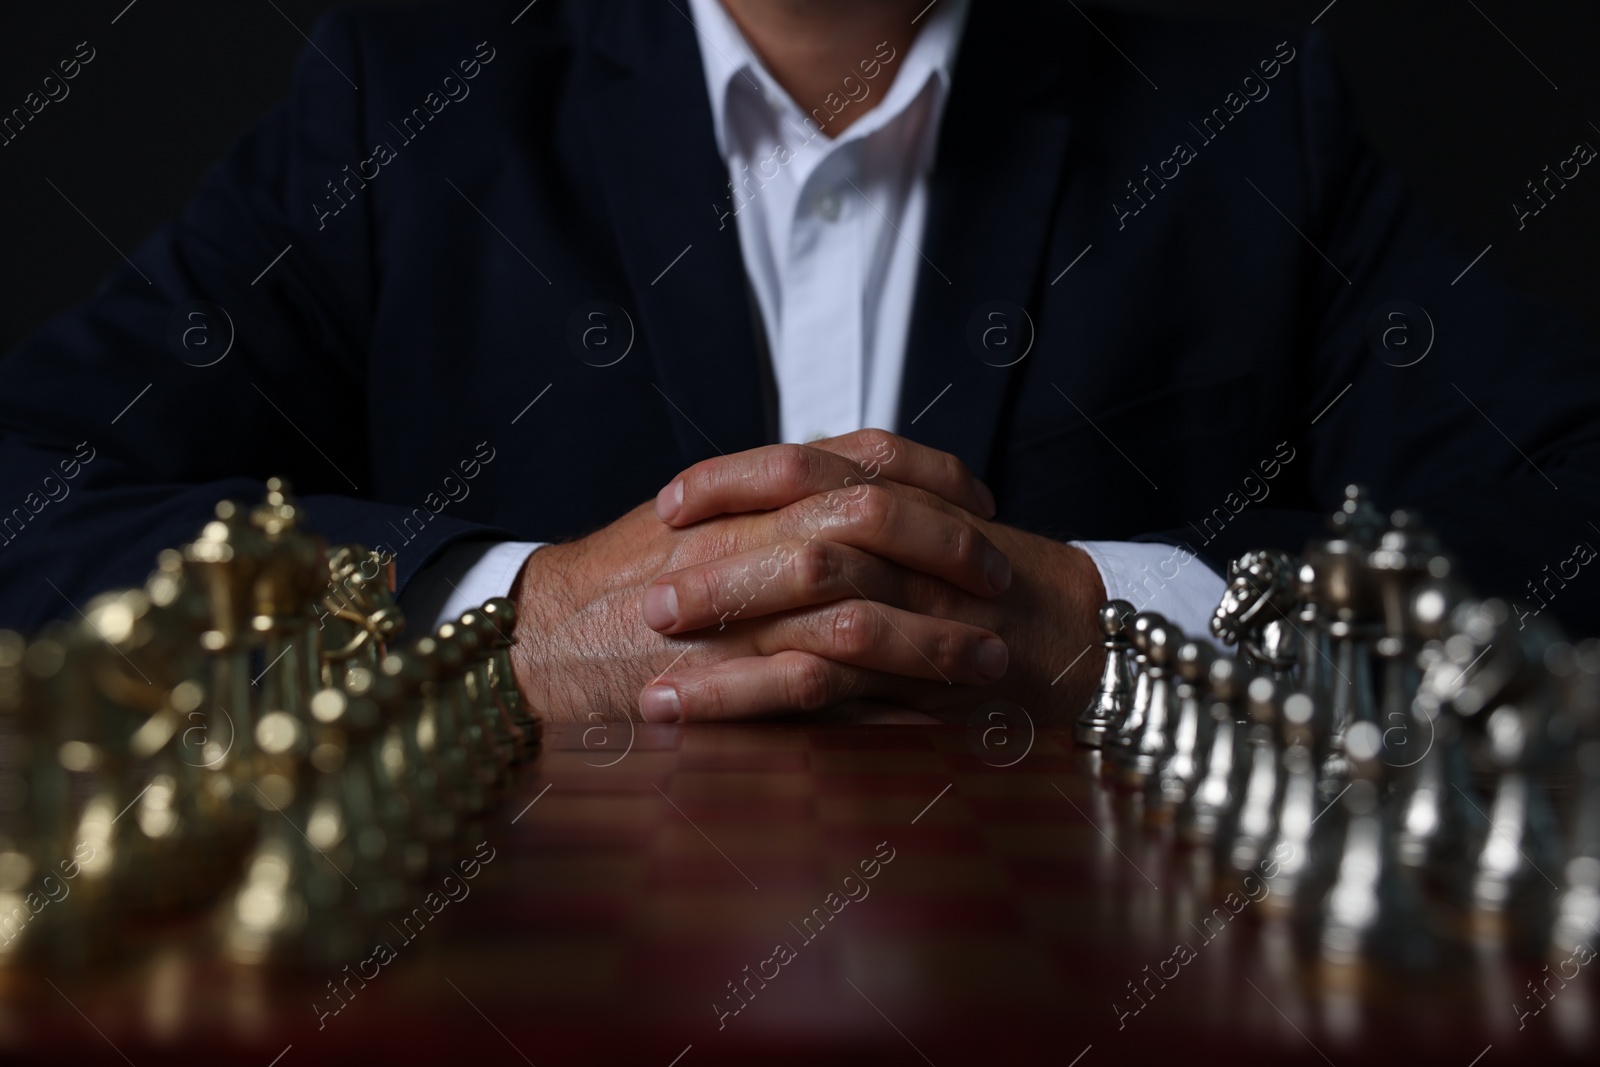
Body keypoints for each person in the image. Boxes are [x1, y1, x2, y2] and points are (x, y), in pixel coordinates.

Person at [1, 0, 1596, 725]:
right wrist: (506, 620)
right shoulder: (414, 90)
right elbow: (31, 506)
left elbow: (1560, 534)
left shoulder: (1241, 90)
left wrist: (1118, 624)